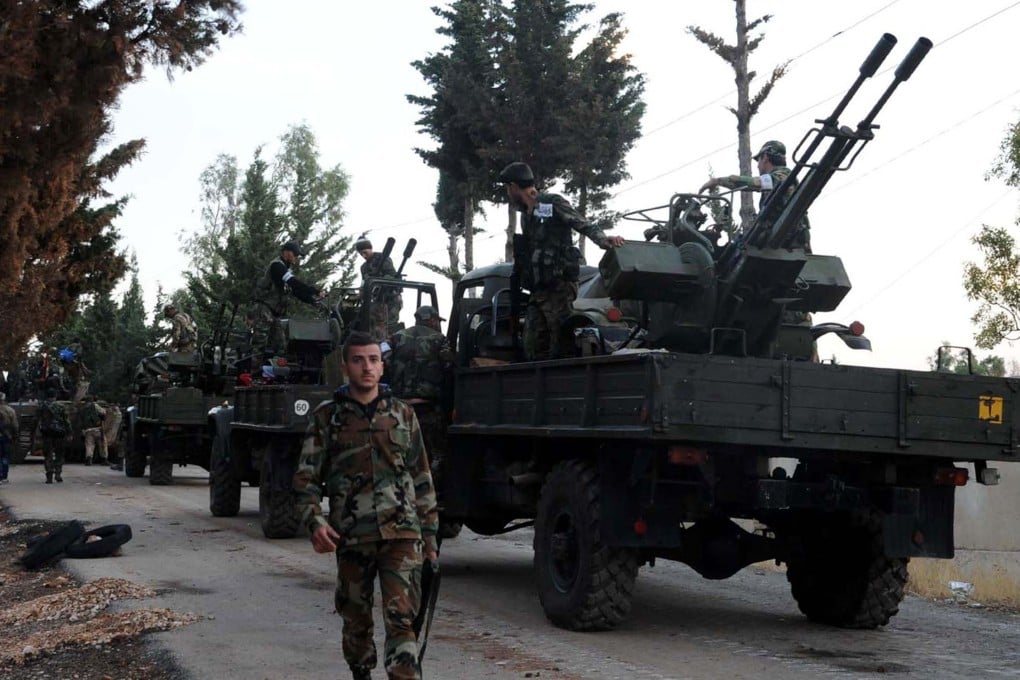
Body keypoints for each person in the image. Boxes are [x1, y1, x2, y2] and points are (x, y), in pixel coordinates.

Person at [294, 331, 438, 680]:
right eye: (358, 360)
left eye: (373, 360)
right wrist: (314, 521)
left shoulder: (403, 414)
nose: (367, 367)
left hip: (402, 533)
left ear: (382, 366)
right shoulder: (327, 417)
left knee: (402, 619)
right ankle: (361, 672)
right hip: (352, 536)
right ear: (346, 367)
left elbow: (422, 477)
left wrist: (430, 539)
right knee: (356, 619)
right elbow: (306, 478)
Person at [499, 161, 625, 360]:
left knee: (561, 345)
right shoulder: (526, 216)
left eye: (508, 188)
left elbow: (580, 222)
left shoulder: (551, 203)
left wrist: (602, 239)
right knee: (532, 346)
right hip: (538, 290)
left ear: (514, 187)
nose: (508, 194)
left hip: (559, 287)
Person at [698, 139, 811, 251]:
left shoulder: (782, 176)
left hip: (789, 242)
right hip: (786, 242)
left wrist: (717, 181)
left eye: (758, 160)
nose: (757, 166)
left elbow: (757, 183)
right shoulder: (781, 178)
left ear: (765, 157)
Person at [387, 305, 454, 485]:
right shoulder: (440, 340)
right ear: (431, 319)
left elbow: (382, 359)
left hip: (399, 407)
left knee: (398, 451)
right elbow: (449, 367)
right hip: (428, 408)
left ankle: (400, 489)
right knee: (436, 453)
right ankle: (430, 491)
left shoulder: (396, 337)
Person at [255, 240, 326, 355]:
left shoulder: (285, 269)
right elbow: (294, 283)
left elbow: (294, 291)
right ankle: (252, 371)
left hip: (275, 315)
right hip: (265, 311)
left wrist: (312, 301)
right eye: (295, 254)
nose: (296, 258)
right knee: (259, 347)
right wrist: (315, 291)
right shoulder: (277, 266)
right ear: (286, 252)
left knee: (281, 347)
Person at [355, 237, 402, 342]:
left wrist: (379, 282)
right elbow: (364, 283)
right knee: (376, 327)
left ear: (370, 249)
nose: (363, 256)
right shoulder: (364, 267)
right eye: (361, 254)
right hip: (377, 301)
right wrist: (361, 294)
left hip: (391, 298)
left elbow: (392, 276)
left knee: (390, 325)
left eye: (365, 252)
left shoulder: (383, 258)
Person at [37, 390, 71, 484]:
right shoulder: (61, 406)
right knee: (59, 454)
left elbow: (36, 420)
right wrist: (69, 432)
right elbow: (66, 421)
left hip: (47, 433)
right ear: (55, 396)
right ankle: (58, 474)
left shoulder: (42, 407)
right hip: (60, 433)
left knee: (48, 455)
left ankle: (49, 475)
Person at [80, 394, 108, 466]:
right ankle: (104, 459)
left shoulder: (83, 409)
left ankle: (89, 459)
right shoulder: (95, 406)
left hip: (88, 430)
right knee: (102, 444)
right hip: (97, 428)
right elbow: (103, 412)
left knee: (89, 445)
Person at [0, 392, 18, 485]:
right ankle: (4, 477)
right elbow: (15, 425)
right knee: (5, 456)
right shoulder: (9, 410)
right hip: (6, 435)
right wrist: (15, 435)